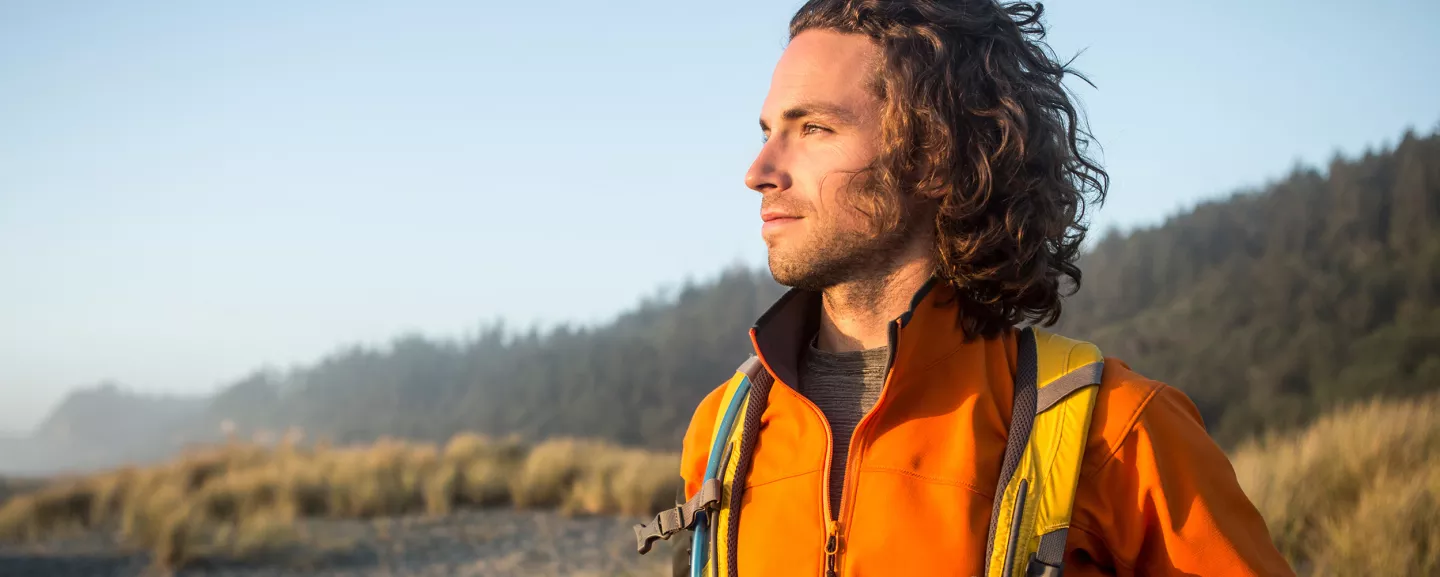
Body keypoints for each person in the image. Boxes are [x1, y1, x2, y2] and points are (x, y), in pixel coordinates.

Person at [635, 1, 1295, 575]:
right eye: (768, 131)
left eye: (813, 129)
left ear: (933, 154)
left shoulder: (1118, 429)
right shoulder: (721, 430)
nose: (759, 170)